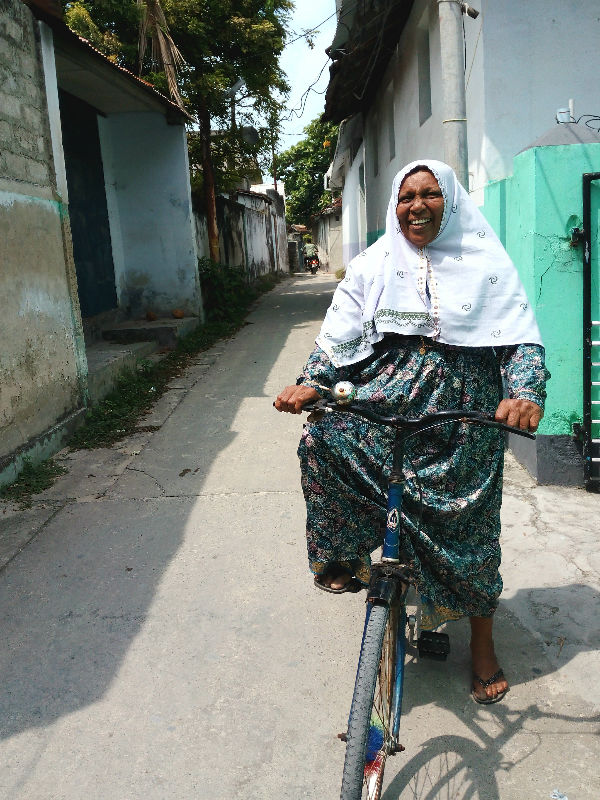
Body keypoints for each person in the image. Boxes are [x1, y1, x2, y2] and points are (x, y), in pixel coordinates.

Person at [274, 160, 549, 704]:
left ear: (451, 202)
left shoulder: (487, 263)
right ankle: (346, 554)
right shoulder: (374, 264)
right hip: (388, 394)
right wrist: (311, 381)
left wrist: (525, 395)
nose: (416, 206)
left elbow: (520, 341)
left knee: (469, 532)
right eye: (406, 197)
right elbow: (340, 333)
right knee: (323, 440)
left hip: (463, 415)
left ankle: (483, 644)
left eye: (429, 195)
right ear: (394, 207)